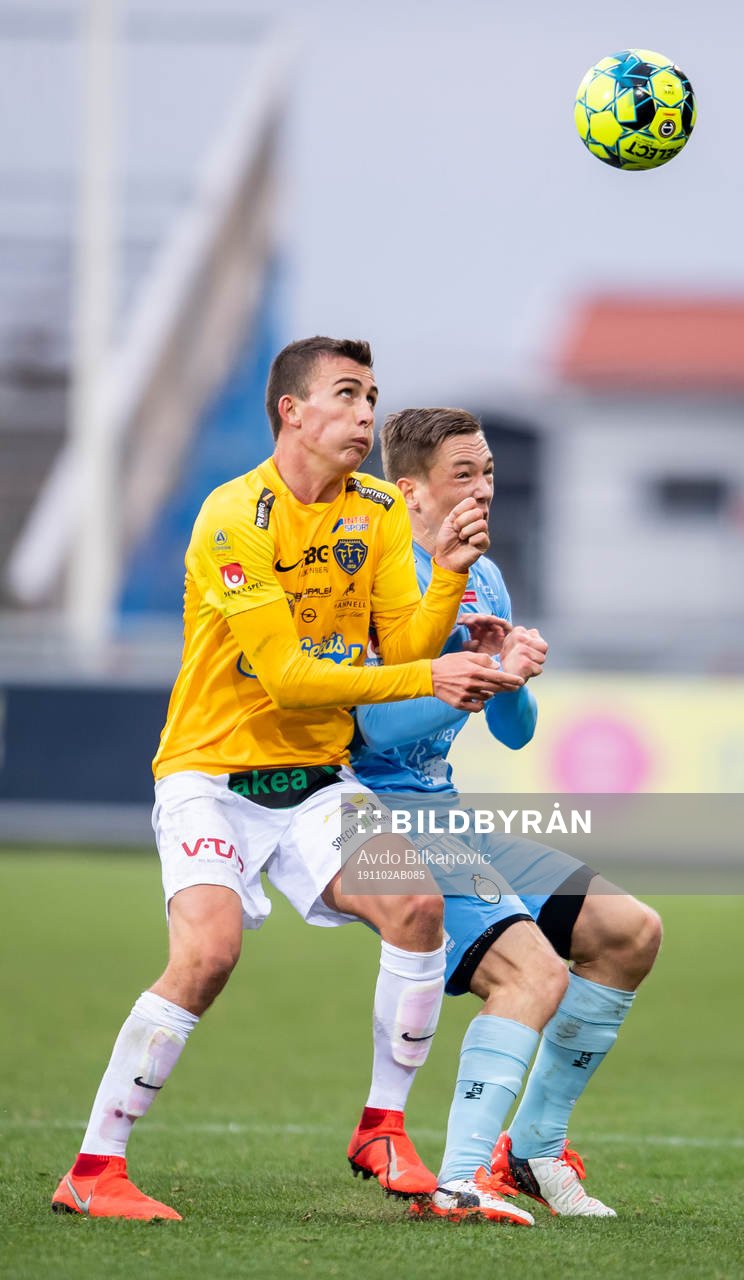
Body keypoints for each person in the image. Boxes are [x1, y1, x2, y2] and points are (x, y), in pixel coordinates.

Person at [51, 339, 524, 1222]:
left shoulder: (379, 508)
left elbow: (403, 645)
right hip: (211, 774)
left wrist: (448, 582)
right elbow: (287, 676)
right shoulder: (235, 515)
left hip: (313, 780)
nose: (364, 414)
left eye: (372, 396)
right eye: (345, 395)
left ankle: (382, 1124)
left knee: (416, 905)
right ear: (291, 412)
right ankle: (94, 1168)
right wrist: (430, 680)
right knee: (208, 955)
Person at [351, 407, 662, 1226]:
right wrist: (478, 674)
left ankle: (530, 1149)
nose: (482, 489)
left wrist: (509, 679)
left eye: (487, 472)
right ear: (408, 489)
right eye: (464, 474)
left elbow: (515, 734)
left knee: (628, 932)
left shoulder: (483, 577)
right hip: (371, 821)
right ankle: (459, 1183)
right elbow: (372, 732)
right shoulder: (373, 580)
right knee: (533, 974)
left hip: (447, 813)